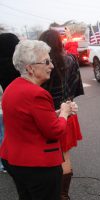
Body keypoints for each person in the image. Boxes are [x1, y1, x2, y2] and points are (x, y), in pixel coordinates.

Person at [0, 40, 77, 200]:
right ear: (30, 68)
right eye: (46, 62)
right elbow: (55, 131)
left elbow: (28, 118)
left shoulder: (13, 87)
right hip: (38, 166)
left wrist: (59, 112)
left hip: (13, 159)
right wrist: (64, 112)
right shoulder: (37, 94)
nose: (52, 66)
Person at [39, 29, 84, 200]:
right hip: (68, 111)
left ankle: (57, 193)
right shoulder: (71, 59)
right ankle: (63, 194)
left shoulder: (43, 63)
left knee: (49, 153)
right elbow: (76, 84)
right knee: (65, 153)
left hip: (48, 113)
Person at [0, 33, 20, 172]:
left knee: (2, 133)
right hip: (15, 104)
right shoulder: (17, 64)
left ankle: (4, 162)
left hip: (3, 105)